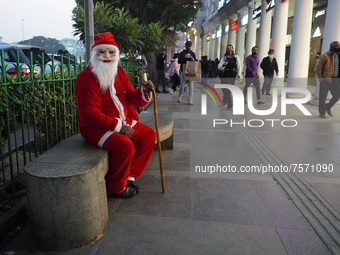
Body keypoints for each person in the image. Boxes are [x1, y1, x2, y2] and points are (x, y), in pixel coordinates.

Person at [75, 32, 156, 198]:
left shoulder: (119, 72)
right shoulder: (87, 77)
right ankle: (116, 188)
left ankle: (129, 176)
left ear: (116, 54)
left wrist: (143, 92)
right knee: (125, 146)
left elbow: (130, 97)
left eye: (111, 52)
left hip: (123, 120)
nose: (107, 56)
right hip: (94, 127)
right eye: (102, 52)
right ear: (94, 53)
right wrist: (118, 127)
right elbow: (89, 113)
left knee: (149, 136)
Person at [317, 41, 340, 118]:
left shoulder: (339, 56)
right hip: (326, 80)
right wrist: (321, 79)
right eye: (337, 47)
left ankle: (328, 106)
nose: (338, 49)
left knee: (337, 96)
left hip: (336, 80)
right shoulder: (325, 56)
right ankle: (322, 112)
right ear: (332, 48)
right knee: (322, 97)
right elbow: (319, 68)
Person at [218, 44, 241, 110]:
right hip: (225, 74)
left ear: (233, 49)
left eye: (230, 48)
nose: (229, 49)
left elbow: (239, 66)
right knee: (226, 89)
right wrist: (223, 64)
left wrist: (239, 75)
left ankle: (225, 100)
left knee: (228, 90)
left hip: (232, 74)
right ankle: (230, 105)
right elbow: (219, 67)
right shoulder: (224, 58)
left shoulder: (236, 57)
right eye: (228, 48)